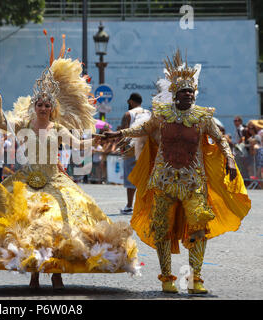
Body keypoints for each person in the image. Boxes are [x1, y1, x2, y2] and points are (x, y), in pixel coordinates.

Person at [0, 52, 140, 290]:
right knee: (26, 230)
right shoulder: (24, 124)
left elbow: (76, 144)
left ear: (52, 108)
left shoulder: (59, 127)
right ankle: (33, 274)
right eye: (39, 104)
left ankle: (56, 273)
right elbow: (2, 125)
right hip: (25, 182)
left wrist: (98, 141)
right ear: (35, 106)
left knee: (57, 227)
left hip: (54, 181)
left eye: (47, 105)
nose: (43, 108)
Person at [106, 50, 251, 294]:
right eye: (184, 91)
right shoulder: (162, 115)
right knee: (162, 229)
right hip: (163, 181)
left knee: (198, 227)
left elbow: (221, 139)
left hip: (194, 182)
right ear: (175, 94)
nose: (189, 94)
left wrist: (228, 159)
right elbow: (142, 129)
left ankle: (195, 278)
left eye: (191, 91)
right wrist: (119, 133)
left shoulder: (203, 117)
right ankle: (166, 278)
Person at [117, 93, 151, 214]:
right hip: (146, 148)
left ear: (131, 102)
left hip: (131, 148)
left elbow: (124, 132)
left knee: (130, 177)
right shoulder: (148, 113)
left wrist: (120, 147)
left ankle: (129, 205)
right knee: (144, 177)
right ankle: (145, 205)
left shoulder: (128, 114)